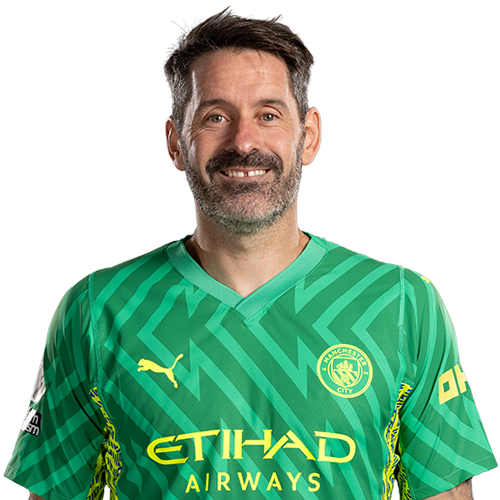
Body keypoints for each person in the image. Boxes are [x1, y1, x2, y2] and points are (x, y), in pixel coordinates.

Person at [5, 12, 497, 500]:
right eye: (215, 116)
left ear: (308, 137)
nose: (243, 141)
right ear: (176, 143)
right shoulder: (98, 310)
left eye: (268, 115)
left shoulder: (401, 304)